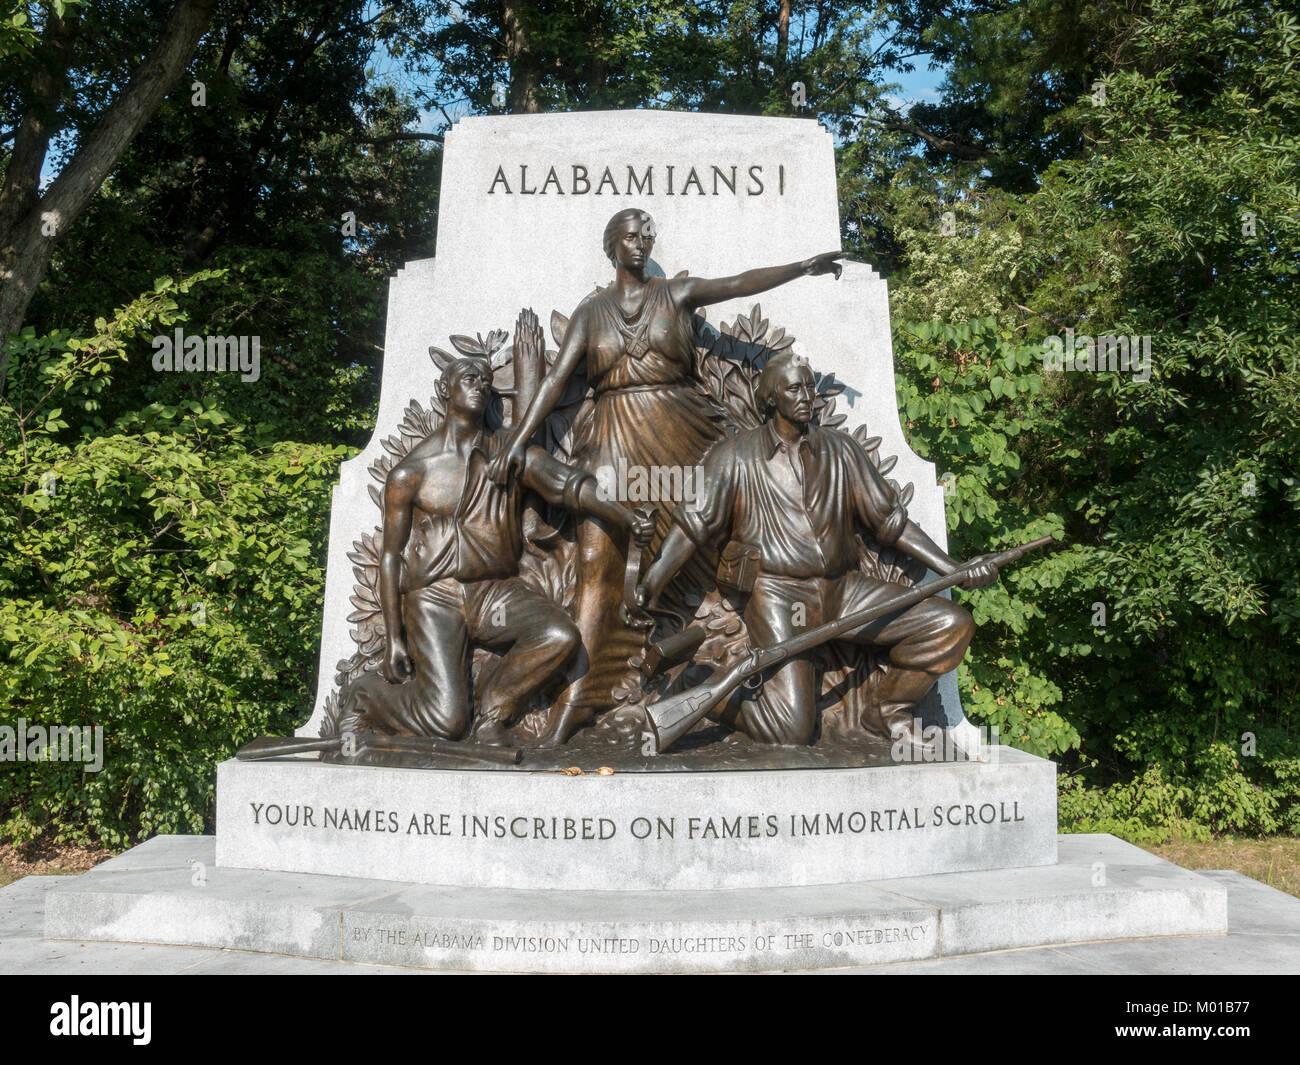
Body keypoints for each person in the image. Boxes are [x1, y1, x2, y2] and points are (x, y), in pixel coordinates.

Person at [487, 207, 844, 745]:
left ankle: (685, 669)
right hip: (613, 441)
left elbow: (739, 283)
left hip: (679, 439)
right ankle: (579, 697)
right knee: (596, 565)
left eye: (648, 235)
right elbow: (556, 384)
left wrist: (800, 267)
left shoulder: (675, 295)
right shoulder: (592, 312)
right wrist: (516, 441)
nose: (642, 243)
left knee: (684, 556)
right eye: (631, 236)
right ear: (612, 246)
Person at [636, 352, 999, 746]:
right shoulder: (735, 457)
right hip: (781, 596)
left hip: (845, 591)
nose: (808, 395)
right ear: (772, 398)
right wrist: (650, 582)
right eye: (795, 387)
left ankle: (887, 714)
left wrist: (953, 569)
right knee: (793, 730)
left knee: (950, 624)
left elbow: (890, 522)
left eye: (810, 385)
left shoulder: (841, 450)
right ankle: (707, 687)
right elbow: (693, 526)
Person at [343, 331, 654, 747]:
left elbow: (567, 485)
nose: (480, 385)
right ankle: (365, 696)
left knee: (558, 635)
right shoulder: (410, 473)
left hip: (492, 594)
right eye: (469, 377)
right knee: (446, 721)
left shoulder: (506, 448)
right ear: (445, 388)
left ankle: (494, 715)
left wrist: (624, 516)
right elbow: (391, 557)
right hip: (436, 598)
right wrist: (395, 637)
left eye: (485, 380)